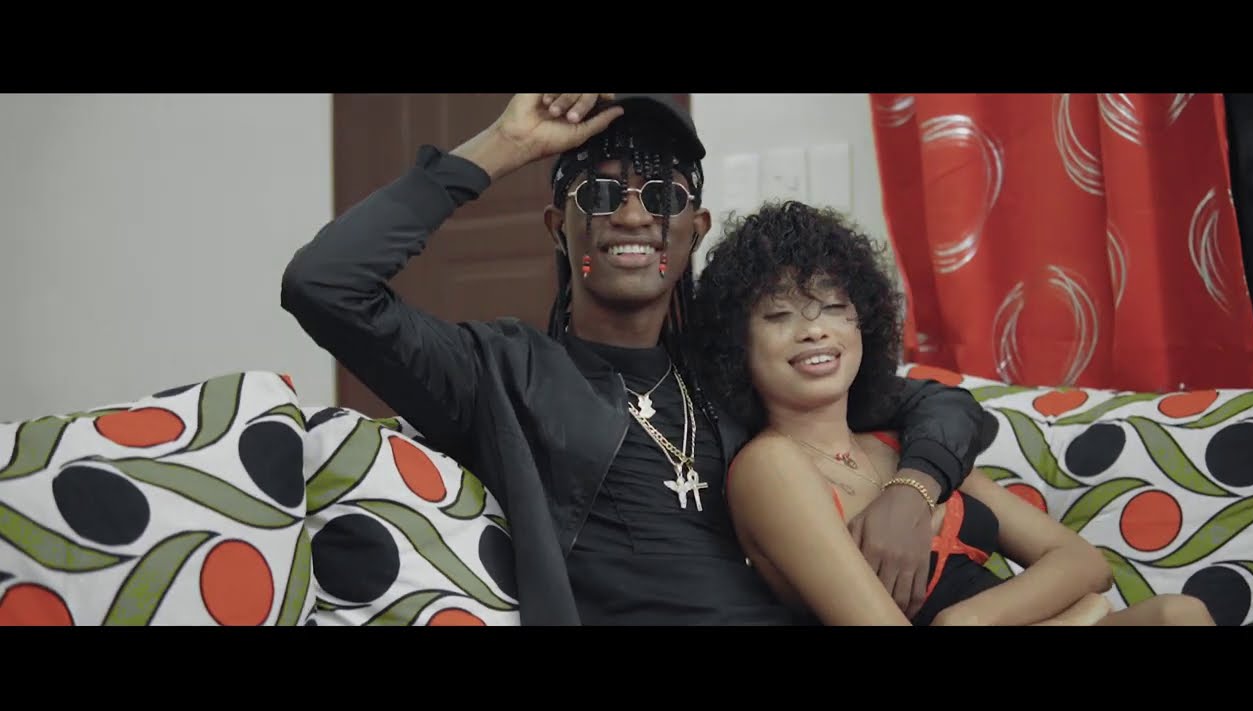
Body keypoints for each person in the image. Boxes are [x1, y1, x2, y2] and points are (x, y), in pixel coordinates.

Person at [280, 92, 987, 625]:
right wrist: (505, 143)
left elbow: (943, 404)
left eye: (663, 196)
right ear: (558, 227)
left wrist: (912, 490)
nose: (633, 215)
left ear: (694, 230)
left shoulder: (730, 367)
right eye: (600, 193)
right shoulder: (501, 371)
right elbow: (324, 284)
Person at [688, 200, 1217, 626]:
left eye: (834, 307)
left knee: (1179, 614)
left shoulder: (903, 446)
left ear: (863, 323)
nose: (814, 330)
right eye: (779, 315)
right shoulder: (771, 465)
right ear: (737, 345)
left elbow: (1085, 563)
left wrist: (972, 618)